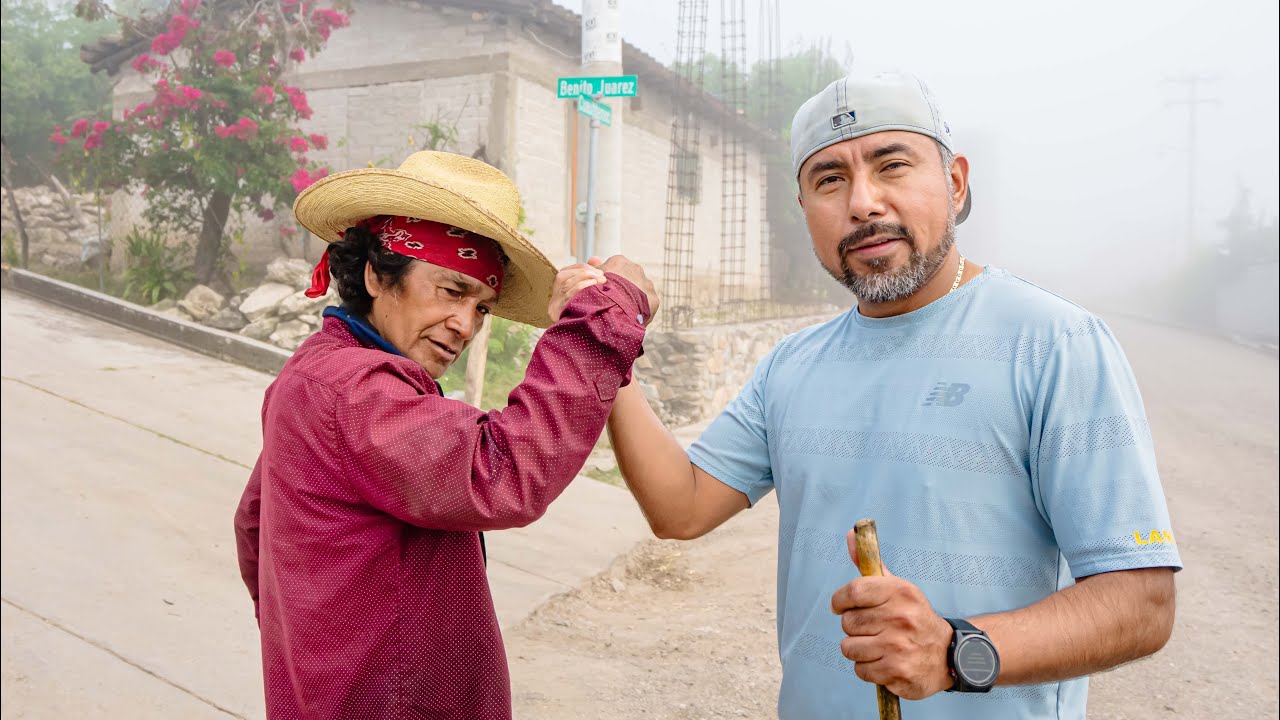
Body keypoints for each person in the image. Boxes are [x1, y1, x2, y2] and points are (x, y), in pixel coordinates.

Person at [603, 72, 1180, 719]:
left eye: (892, 166)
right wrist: (606, 346)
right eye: (829, 179)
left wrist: (954, 651)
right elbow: (680, 507)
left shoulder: (1055, 343)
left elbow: (1141, 600)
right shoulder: (793, 365)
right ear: (805, 211)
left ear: (956, 183)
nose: (863, 202)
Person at [233, 150, 658, 719]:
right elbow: (501, 472)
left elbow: (253, 525)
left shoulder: (322, 371)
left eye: (482, 307)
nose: (466, 325)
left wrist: (309, 647)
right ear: (378, 276)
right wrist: (608, 315)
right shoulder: (354, 389)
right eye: (452, 292)